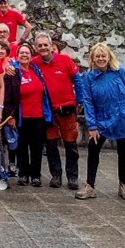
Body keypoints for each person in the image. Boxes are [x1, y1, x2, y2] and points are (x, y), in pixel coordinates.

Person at [76, 43, 125, 201]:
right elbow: (88, 102)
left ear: (109, 57)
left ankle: (123, 184)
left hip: (122, 118)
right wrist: (92, 125)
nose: (101, 59)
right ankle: (90, 185)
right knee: (93, 149)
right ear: (92, 59)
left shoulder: (120, 73)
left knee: (123, 152)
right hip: (101, 119)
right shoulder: (89, 78)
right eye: (97, 56)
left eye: (103, 55)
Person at [34, 32, 84, 190]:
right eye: (40, 45)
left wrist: (80, 101)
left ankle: (72, 176)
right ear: (36, 48)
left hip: (67, 108)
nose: (43, 48)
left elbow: (77, 79)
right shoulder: (35, 63)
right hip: (48, 110)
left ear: (51, 46)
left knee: (70, 144)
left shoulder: (65, 60)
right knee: (50, 144)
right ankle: (56, 174)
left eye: (45, 45)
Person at [2, 42, 51, 187]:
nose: (24, 55)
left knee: (37, 147)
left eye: (27, 53)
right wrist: (10, 116)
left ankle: (36, 175)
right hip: (21, 116)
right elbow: (8, 97)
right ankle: (23, 174)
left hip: (39, 116)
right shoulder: (13, 73)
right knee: (21, 147)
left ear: (31, 56)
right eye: (21, 53)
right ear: (16, 56)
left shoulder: (37, 70)